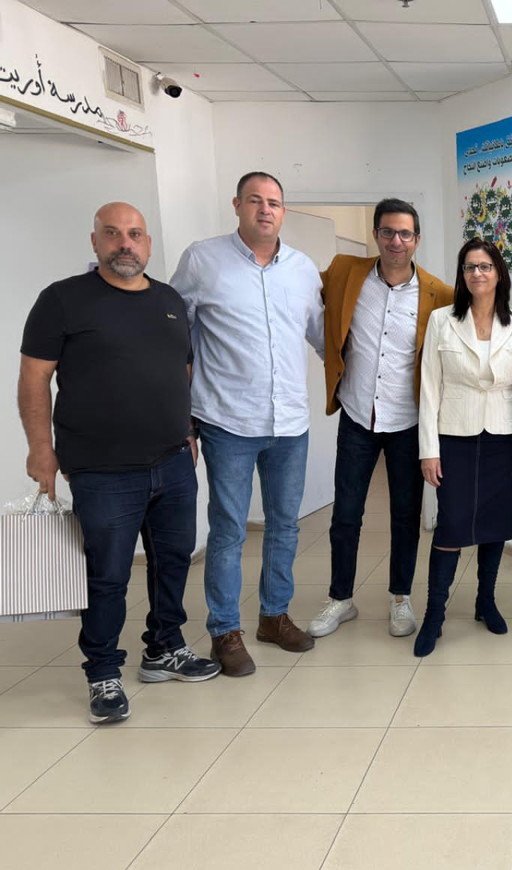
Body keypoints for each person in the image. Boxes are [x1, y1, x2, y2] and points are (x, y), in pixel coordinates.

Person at [19, 202, 218, 724]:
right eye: (113, 234)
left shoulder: (169, 300)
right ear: (95, 241)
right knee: (107, 576)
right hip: (102, 470)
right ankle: (103, 671)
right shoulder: (63, 299)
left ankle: (164, 648)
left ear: (148, 244)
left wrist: (188, 429)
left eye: (134, 234)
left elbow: (182, 369)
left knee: (173, 560)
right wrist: (41, 450)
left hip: (172, 461)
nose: (124, 243)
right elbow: (35, 378)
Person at [171, 172, 324, 677]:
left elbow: (324, 337)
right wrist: (181, 417)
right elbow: (174, 339)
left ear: (284, 211)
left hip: (290, 424)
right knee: (229, 529)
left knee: (284, 526)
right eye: (255, 200)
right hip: (227, 421)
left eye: (274, 202)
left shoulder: (303, 269)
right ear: (236, 205)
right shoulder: (202, 260)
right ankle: (224, 630)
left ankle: (274, 616)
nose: (265, 210)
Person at [309, 198, 453, 641]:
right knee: (346, 514)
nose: (396, 241)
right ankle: (340, 598)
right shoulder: (344, 272)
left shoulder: (439, 294)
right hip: (358, 415)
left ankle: (400, 597)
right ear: (375, 234)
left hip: (408, 420)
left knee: (406, 515)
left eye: (405, 233)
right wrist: (330, 356)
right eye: (388, 232)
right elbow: (308, 308)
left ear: (417, 240)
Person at [413, 239, 512, 656]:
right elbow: (430, 388)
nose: (477, 273)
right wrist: (428, 449)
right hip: (455, 436)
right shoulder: (441, 321)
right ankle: (434, 614)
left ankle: (486, 601)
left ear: (499, 273)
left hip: (506, 437)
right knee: (451, 526)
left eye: (485, 266)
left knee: (494, 523)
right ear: (462, 274)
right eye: (469, 267)